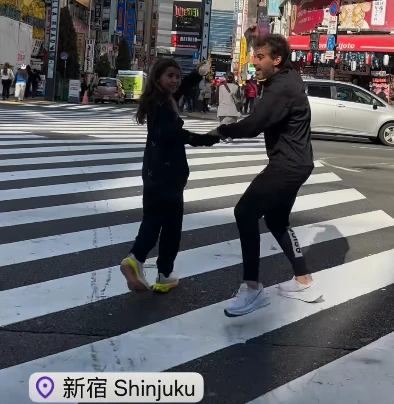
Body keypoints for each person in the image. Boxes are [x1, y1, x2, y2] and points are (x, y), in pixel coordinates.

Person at [210, 34, 321, 317]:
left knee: (244, 212)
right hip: (297, 163)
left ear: (277, 60)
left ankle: (252, 288)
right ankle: (304, 280)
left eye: (260, 58)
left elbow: (254, 125)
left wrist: (221, 131)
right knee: (275, 219)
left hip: (287, 165)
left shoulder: (281, 87)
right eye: (254, 57)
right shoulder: (286, 80)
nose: (254, 63)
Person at [120, 58, 219, 294]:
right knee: (170, 226)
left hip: (155, 172)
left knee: (154, 220)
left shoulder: (161, 99)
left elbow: (183, 89)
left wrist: (197, 73)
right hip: (167, 173)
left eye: (177, 76)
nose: (175, 81)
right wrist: (205, 139)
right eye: (170, 76)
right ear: (158, 78)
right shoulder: (162, 103)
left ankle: (151, 267)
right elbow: (173, 134)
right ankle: (146, 264)